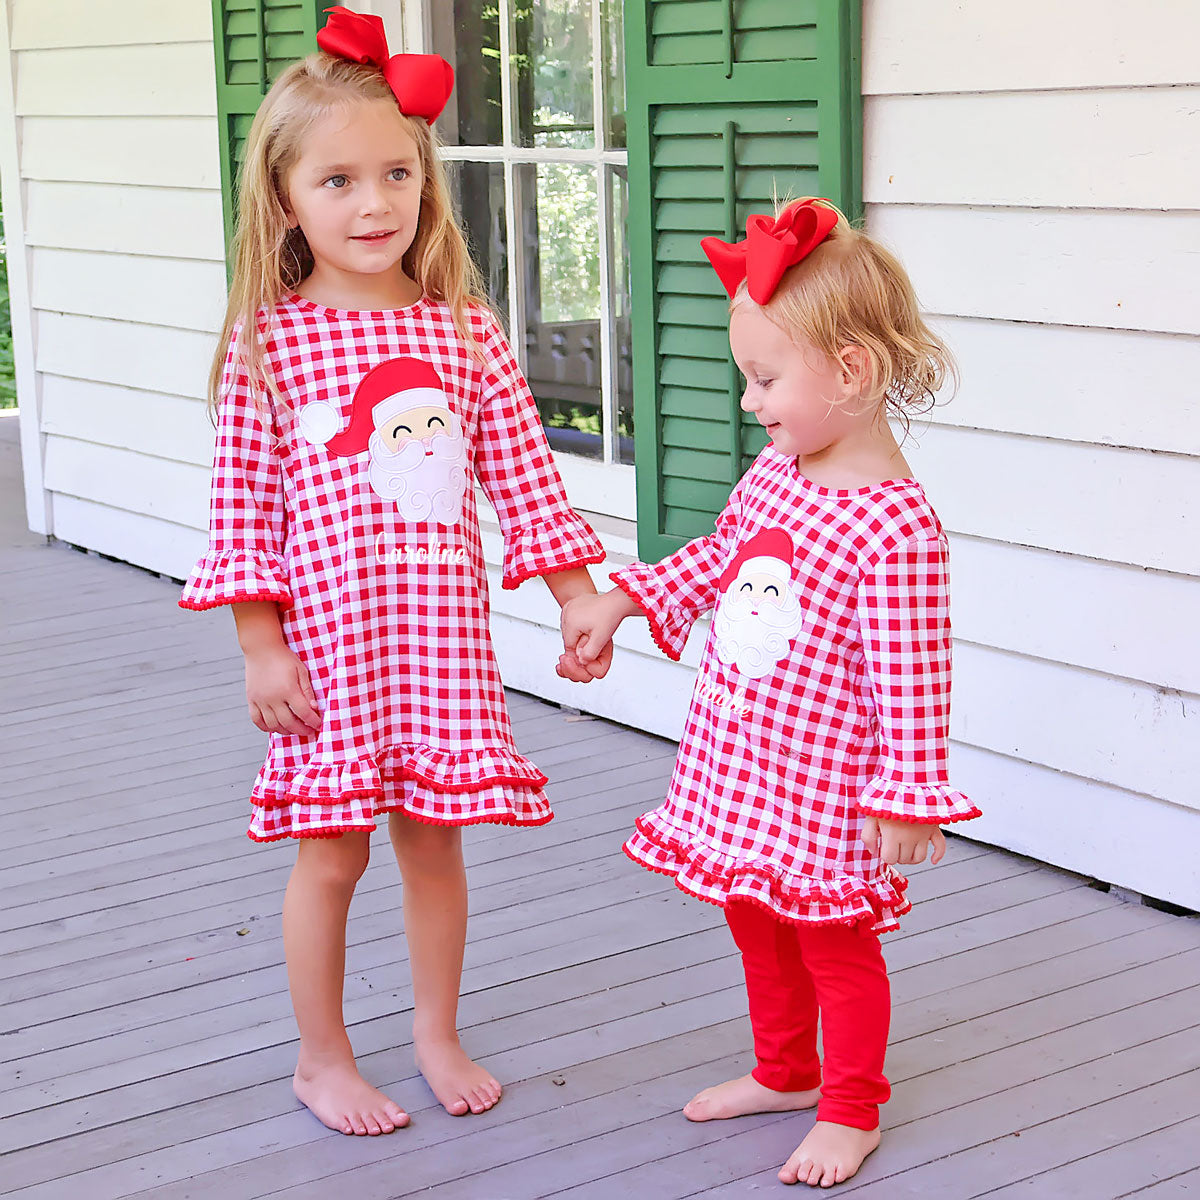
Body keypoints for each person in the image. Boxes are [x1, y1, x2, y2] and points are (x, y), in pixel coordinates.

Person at [180, 7, 608, 1138]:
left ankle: (433, 1028)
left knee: (434, 846)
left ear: (424, 181)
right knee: (333, 856)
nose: (374, 205)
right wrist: (258, 643)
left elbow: (526, 479)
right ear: (284, 199)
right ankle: (322, 1058)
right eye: (337, 182)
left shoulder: (466, 334)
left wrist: (576, 600)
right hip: (329, 651)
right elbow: (242, 509)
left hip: (437, 647)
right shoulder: (268, 346)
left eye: (397, 175)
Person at [559, 198, 981, 1188]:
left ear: (851, 371)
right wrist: (626, 599)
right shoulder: (781, 470)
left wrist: (904, 798)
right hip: (744, 764)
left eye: (764, 377)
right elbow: (718, 558)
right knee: (754, 917)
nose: (751, 400)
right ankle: (788, 1070)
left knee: (834, 944)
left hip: (830, 782)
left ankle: (851, 1106)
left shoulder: (893, 531)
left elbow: (915, 682)